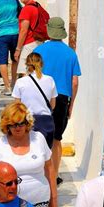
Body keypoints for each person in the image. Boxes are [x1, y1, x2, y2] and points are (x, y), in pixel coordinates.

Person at [36, 17, 81, 185]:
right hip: (62, 98)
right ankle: (54, 176)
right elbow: (74, 82)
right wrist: (71, 106)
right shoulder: (70, 53)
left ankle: (41, 173)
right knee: (56, 139)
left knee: (39, 136)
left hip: (42, 96)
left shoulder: (40, 50)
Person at [12, 52, 57, 149]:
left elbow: (17, 106)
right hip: (46, 122)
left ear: (27, 65)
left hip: (28, 121)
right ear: (41, 64)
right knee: (45, 154)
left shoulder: (20, 82)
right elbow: (53, 105)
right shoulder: (50, 80)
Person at [14, 0, 49, 75]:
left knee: (24, 72)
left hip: (29, 43)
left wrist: (18, 49)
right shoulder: (38, 6)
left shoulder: (26, 9)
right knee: (36, 71)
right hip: (39, 41)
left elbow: (23, 31)